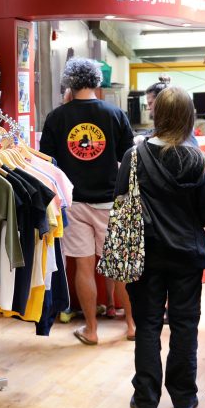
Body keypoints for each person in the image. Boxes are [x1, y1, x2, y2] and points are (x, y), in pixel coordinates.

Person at [115, 87, 205, 408]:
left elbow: (121, 200)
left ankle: (145, 400)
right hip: (188, 255)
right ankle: (184, 397)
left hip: (145, 254)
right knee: (185, 325)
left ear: (155, 114)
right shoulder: (199, 160)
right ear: (189, 117)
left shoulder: (134, 156)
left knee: (146, 324)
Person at [41, 57, 136, 345]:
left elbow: (48, 163)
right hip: (110, 200)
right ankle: (132, 326)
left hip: (74, 202)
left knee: (84, 267)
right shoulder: (115, 114)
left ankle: (92, 330)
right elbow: (129, 158)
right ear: (98, 82)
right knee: (118, 266)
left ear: (69, 83)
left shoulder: (57, 118)